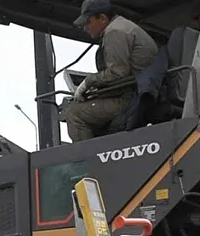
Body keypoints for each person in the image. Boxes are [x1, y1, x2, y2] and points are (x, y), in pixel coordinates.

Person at [66, 0, 159, 141]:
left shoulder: (115, 32)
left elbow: (118, 74)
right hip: (139, 92)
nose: (85, 28)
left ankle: (88, 162)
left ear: (103, 18)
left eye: (88, 22)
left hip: (132, 98)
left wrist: (89, 82)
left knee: (74, 113)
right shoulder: (122, 26)